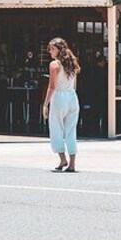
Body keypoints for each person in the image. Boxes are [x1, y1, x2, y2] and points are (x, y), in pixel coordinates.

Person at [42, 38, 81, 172]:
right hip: (72, 96)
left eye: (52, 49)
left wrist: (45, 104)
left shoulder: (54, 65)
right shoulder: (72, 63)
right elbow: (74, 85)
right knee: (71, 130)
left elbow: (51, 86)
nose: (50, 52)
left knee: (56, 129)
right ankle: (72, 163)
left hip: (59, 96)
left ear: (59, 49)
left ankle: (62, 158)